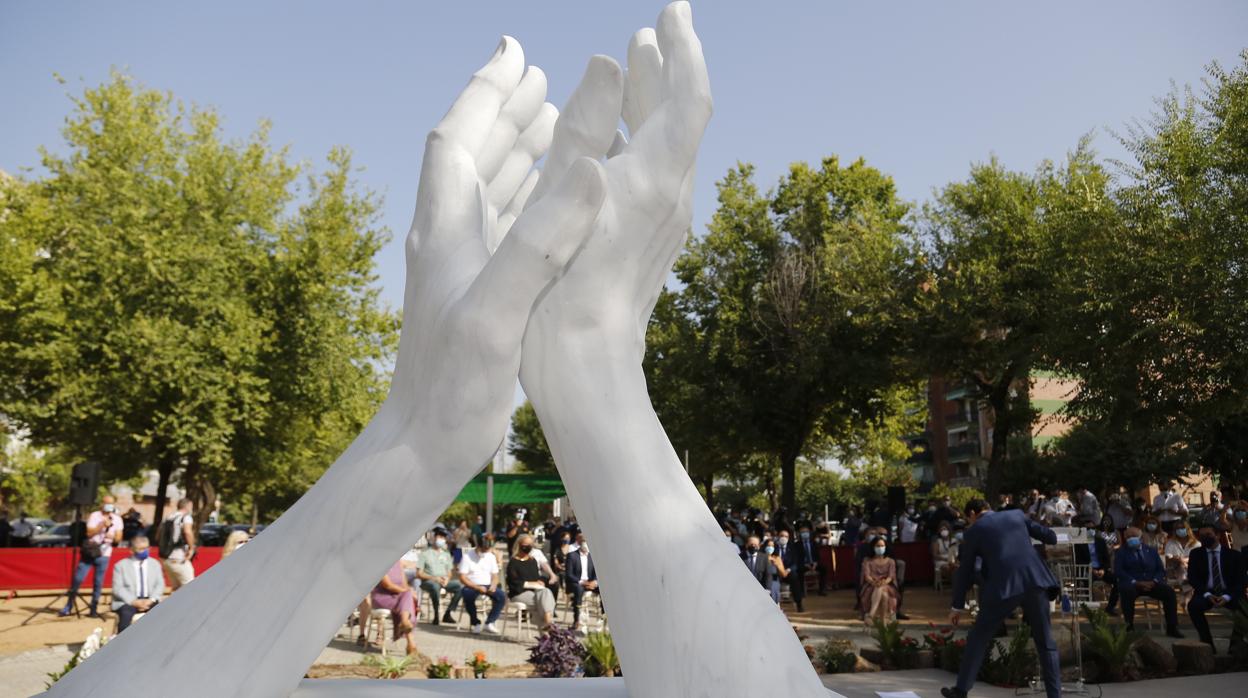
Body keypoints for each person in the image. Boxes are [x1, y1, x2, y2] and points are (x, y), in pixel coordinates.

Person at [943, 499, 1060, 698]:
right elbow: (1051, 537)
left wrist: (957, 606)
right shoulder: (1016, 514)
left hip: (1004, 588)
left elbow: (964, 571)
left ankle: (961, 690)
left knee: (979, 638)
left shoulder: (973, 531)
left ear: (972, 513)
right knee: (1046, 642)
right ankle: (1055, 695)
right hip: (1036, 582)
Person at [60, 495, 123, 618]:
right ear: (102, 504)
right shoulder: (95, 516)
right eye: (107, 503)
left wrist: (112, 536)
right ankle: (69, 605)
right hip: (90, 552)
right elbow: (89, 533)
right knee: (78, 578)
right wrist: (101, 526)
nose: (109, 506)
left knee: (98, 582)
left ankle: (93, 608)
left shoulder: (117, 519)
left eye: (111, 504)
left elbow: (119, 538)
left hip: (104, 554)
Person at [1114, 526, 1183, 637]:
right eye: (1128, 537)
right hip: (1133, 585)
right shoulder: (1121, 552)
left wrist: (1154, 581)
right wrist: (1135, 582)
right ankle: (1129, 627)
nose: (1130, 539)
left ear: (1141, 538)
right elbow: (1119, 571)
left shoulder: (1151, 551)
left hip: (1152, 584)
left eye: (1134, 536)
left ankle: (1172, 628)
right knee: (1126, 592)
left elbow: (1160, 570)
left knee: (1169, 593)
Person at [1186, 524, 1246, 650]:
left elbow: (1241, 581)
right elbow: (1192, 578)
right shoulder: (1196, 554)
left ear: (1217, 535)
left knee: (1244, 609)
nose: (1205, 538)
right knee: (1193, 606)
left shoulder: (1234, 555)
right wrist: (1207, 594)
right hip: (1206, 592)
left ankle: (1235, 646)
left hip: (1229, 592)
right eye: (1201, 536)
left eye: (1208, 535)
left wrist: (1227, 596)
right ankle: (1207, 643)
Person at [110, 534, 164, 632]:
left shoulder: (155, 564)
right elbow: (118, 588)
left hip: (150, 600)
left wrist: (151, 599)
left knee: (163, 616)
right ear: (132, 550)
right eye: (141, 549)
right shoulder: (121, 565)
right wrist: (133, 601)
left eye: (146, 548)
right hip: (127, 602)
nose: (145, 551)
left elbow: (160, 584)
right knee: (125, 620)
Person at [458, 533, 506, 634]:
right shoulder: (467, 556)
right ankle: (476, 623)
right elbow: (462, 577)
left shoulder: (490, 556)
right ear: (479, 546)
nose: (485, 552)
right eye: (483, 549)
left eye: (487, 549)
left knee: (501, 596)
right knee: (468, 596)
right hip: (471, 584)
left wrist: (493, 585)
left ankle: (490, 622)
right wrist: (476, 587)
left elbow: (495, 575)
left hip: (488, 585)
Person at [506, 534, 556, 630]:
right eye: (526, 544)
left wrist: (540, 581)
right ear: (519, 545)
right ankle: (549, 625)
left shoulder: (532, 561)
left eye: (530, 544)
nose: (528, 547)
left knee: (546, 592)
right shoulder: (513, 562)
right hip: (519, 592)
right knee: (543, 601)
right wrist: (530, 584)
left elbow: (536, 577)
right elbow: (513, 582)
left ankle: (547, 624)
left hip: (535, 592)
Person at [371, 560, 419, 655]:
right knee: (407, 599)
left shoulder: (398, 563)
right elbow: (388, 585)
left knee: (407, 597)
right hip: (382, 597)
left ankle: (406, 625)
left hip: (398, 596)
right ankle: (410, 642)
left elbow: (404, 584)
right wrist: (407, 592)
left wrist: (409, 592)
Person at [418, 528, 464, 624]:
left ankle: (448, 613)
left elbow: (449, 571)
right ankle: (436, 615)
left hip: (444, 581)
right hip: (429, 581)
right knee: (435, 587)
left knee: (460, 586)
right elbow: (419, 573)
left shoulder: (446, 554)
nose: (441, 539)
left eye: (443, 537)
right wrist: (434, 578)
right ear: (433, 538)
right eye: (439, 536)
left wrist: (447, 578)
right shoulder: (425, 553)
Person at [1075, 524, 1119, 616]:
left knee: (1118, 581)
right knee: (1087, 581)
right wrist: (1091, 569)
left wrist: (1103, 569)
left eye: (1092, 528)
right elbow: (1079, 560)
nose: (1091, 530)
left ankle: (1110, 607)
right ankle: (1091, 608)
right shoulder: (1079, 544)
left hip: (1101, 569)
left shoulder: (1100, 541)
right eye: (1088, 528)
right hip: (1088, 570)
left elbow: (1106, 558)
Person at [160, 498, 196, 591]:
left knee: (176, 588)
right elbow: (187, 532)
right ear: (187, 506)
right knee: (190, 588)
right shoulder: (186, 517)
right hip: (179, 557)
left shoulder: (169, 516)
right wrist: (192, 548)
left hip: (166, 557)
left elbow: (158, 534)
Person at [859, 537, 899, 622]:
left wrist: (884, 582)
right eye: (878, 546)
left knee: (881, 588)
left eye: (882, 546)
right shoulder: (868, 561)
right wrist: (874, 582)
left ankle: (871, 614)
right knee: (883, 594)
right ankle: (883, 622)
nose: (880, 548)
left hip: (888, 585)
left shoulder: (891, 561)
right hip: (871, 585)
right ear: (873, 547)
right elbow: (867, 576)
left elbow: (891, 576)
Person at [565, 534, 599, 632]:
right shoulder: (572, 556)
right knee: (578, 589)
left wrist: (594, 582)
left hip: (589, 583)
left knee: (604, 588)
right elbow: (568, 574)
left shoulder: (592, 556)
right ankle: (576, 619)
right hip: (576, 583)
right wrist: (581, 582)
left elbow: (597, 573)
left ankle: (604, 617)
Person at [1163, 523, 1198, 591]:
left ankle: (1185, 595)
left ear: (1188, 530)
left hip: (1191, 569)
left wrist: (1182, 560)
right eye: (1178, 529)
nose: (1180, 530)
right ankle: (1186, 582)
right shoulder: (1170, 542)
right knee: (1181, 566)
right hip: (1173, 569)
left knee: (1183, 565)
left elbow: (1197, 558)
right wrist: (1179, 560)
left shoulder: (1196, 543)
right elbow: (1168, 558)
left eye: (1182, 528)